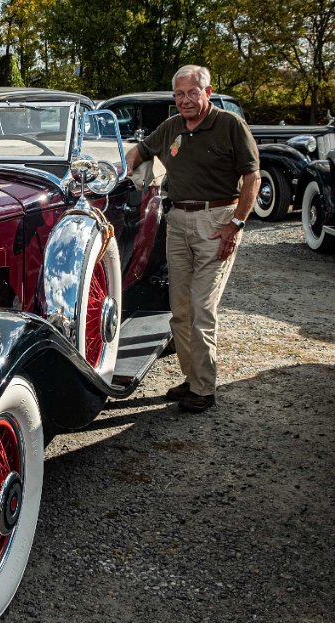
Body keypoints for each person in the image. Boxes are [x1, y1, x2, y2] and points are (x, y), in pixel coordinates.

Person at [126, 65, 260, 413]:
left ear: (208, 92)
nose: (185, 100)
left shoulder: (230, 125)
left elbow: (253, 178)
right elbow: (139, 152)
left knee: (202, 309)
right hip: (178, 219)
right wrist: (126, 168)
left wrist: (236, 224)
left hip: (217, 220)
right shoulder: (171, 127)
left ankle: (204, 387)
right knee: (180, 310)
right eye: (179, 94)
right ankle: (192, 379)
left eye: (192, 93)